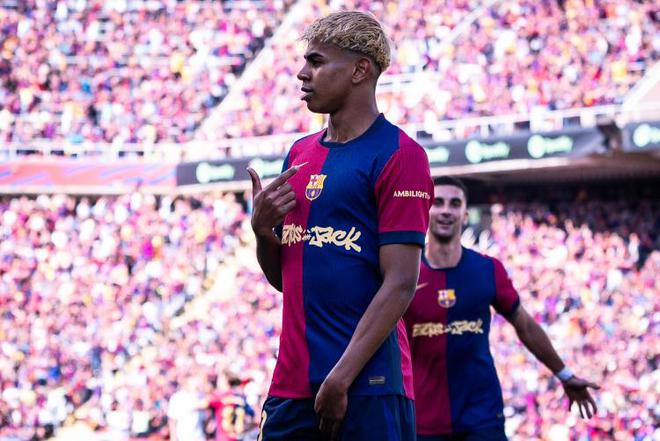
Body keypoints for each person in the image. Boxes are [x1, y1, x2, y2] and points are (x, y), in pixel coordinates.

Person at [246, 11, 434, 441]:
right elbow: (285, 281)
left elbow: (401, 283)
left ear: (359, 70)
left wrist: (341, 377)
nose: (302, 73)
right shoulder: (299, 154)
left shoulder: (400, 155)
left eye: (316, 62)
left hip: (368, 387)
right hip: (292, 386)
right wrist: (262, 233)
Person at [403, 177, 600, 441]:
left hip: (482, 418)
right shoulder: (404, 274)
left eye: (455, 204)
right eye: (437, 203)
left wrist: (564, 374)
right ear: (425, 210)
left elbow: (525, 326)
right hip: (422, 421)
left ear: (465, 214)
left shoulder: (487, 269)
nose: (446, 210)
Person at [208, 375, 255, 441]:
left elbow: (203, 404)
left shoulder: (218, 396)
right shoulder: (239, 396)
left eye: (220, 379)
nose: (218, 382)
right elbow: (251, 416)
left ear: (226, 381)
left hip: (224, 437)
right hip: (237, 437)